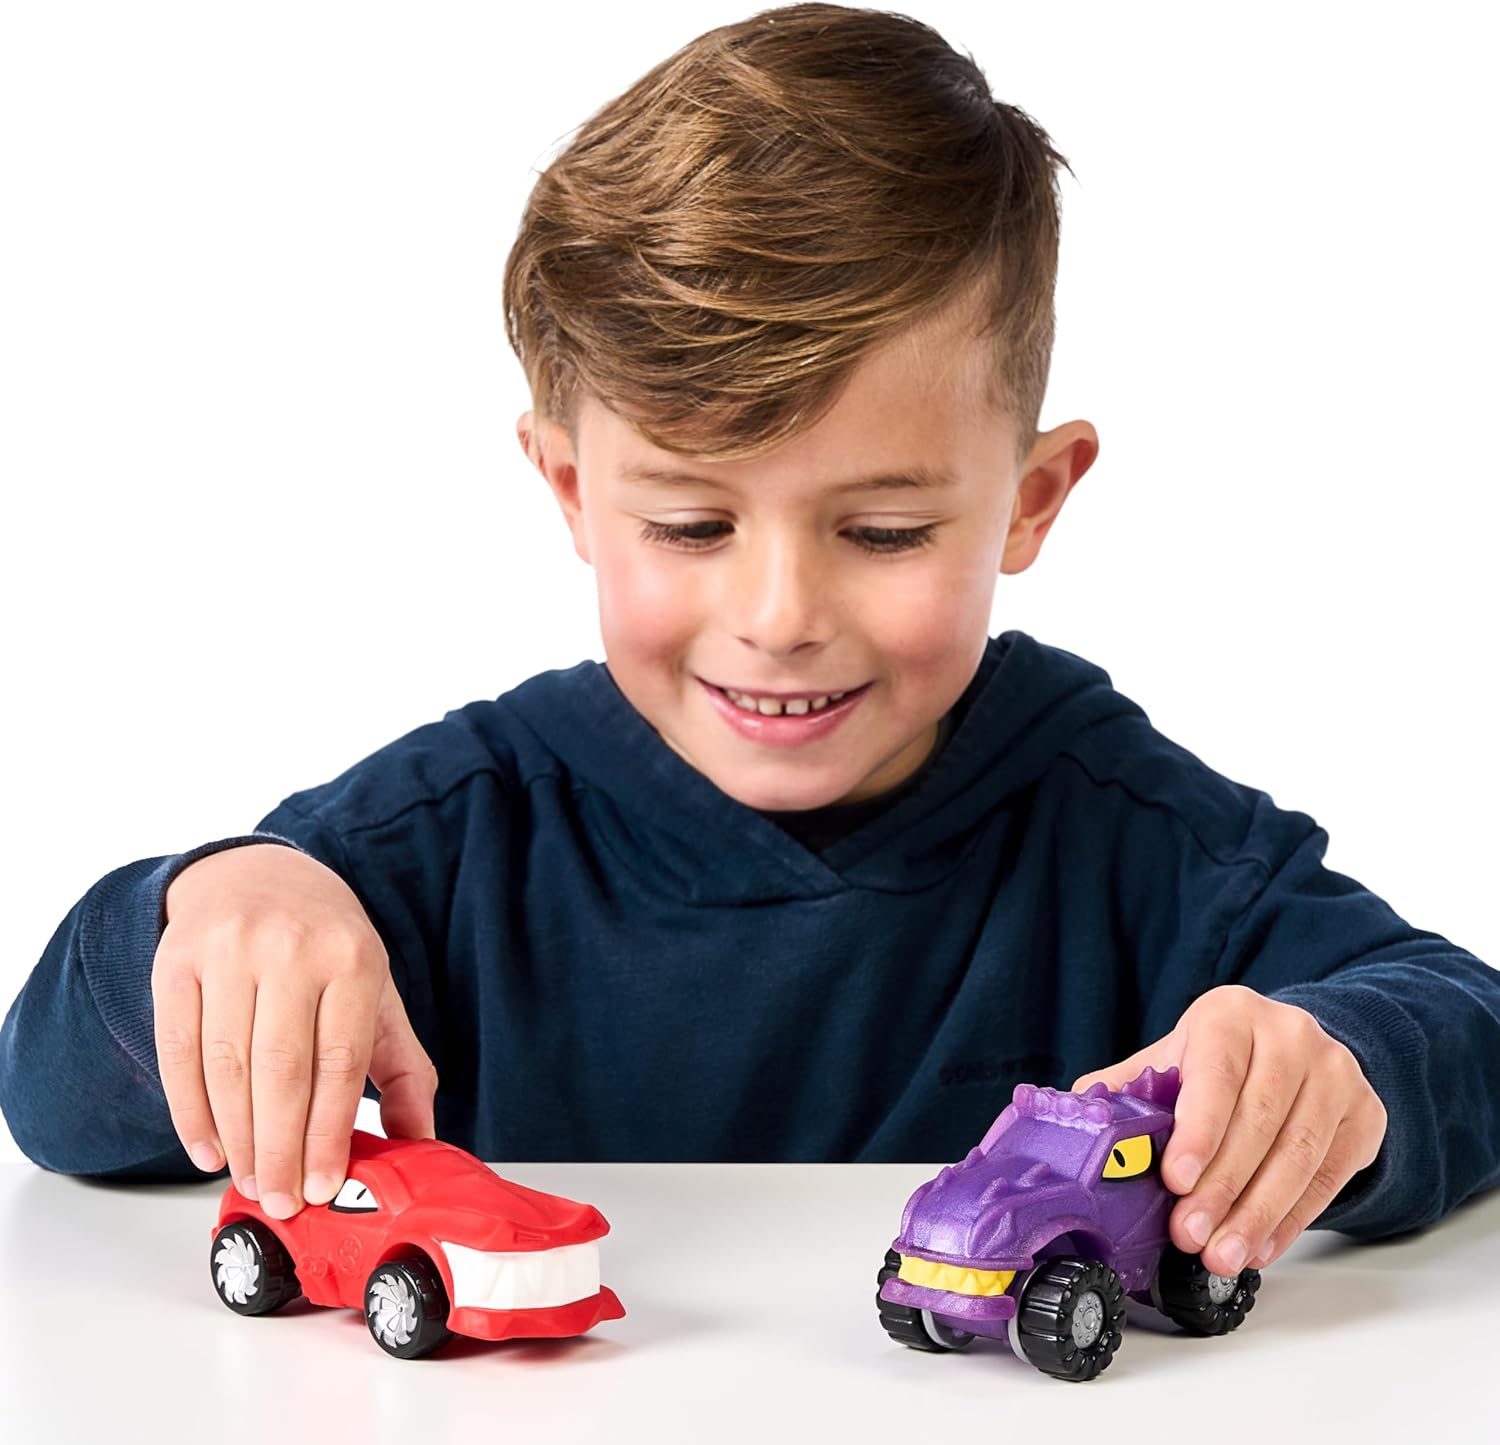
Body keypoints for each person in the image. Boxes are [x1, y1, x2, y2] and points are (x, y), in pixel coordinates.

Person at [2, 4, 1496, 1292]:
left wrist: (1337, 1066)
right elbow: (54, 1100)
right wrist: (215, 905)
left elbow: (1462, 1020)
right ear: (573, 491)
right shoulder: (458, 835)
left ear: (1031, 500)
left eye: (885, 531)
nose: (779, 614)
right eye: (693, 524)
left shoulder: (1133, 836)